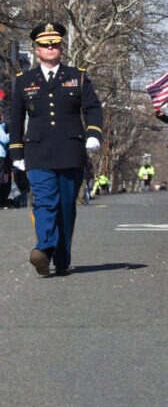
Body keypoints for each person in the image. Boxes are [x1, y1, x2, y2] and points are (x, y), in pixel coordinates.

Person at [9, 22, 103, 277]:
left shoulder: (77, 76)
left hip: (71, 151)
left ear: (61, 48)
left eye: (54, 44)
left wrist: (93, 133)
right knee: (44, 202)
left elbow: (93, 108)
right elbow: (15, 119)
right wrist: (16, 154)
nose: (50, 48)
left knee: (65, 207)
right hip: (37, 153)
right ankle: (44, 249)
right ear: (36, 50)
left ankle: (61, 259)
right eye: (44, 45)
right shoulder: (24, 80)